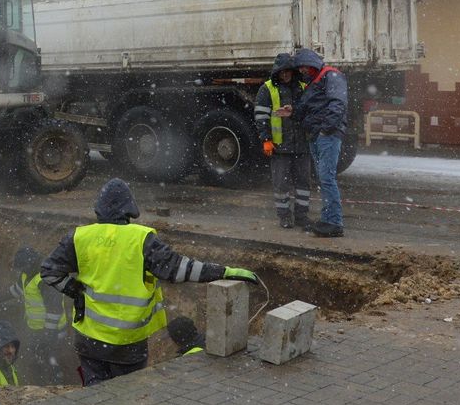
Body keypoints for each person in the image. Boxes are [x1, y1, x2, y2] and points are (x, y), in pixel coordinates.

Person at [40, 178, 259, 387]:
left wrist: (74, 291)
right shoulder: (141, 240)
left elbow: (49, 272)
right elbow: (181, 270)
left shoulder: (79, 237)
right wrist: (225, 271)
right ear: (129, 208)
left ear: (99, 208)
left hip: (89, 341)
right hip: (128, 344)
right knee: (127, 394)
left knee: (95, 391)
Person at [290, 48, 348, 238]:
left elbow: (337, 104)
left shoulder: (330, 75)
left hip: (325, 135)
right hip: (318, 135)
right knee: (325, 178)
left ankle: (334, 222)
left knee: (326, 178)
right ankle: (328, 219)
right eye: (300, 68)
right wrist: (292, 110)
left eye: (304, 66)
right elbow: (308, 108)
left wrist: (325, 129)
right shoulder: (316, 81)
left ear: (310, 63)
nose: (302, 71)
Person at [254, 52, 311, 228]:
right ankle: (284, 216)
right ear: (277, 72)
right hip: (279, 147)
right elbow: (261, 117)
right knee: (281, 185)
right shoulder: (267, 89)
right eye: (282, 71)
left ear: (293, 71)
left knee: (303, 183)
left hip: (302, 146)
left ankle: (302, 216)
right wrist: (266, 139)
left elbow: (310, 111)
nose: (285, 75)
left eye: (288, 71)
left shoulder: (303, 87)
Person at [6, 246, 70, 383]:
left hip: (54, 330)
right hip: (37, 329)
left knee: (51, 359)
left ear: (31, 264)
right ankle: (40, 383)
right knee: (38, 358)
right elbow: (15, 291)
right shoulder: (26, 275)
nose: (21, 271)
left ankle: (57, 386)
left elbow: (54, 310)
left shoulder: (44, 279)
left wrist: (48, 334)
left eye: (23, 267)